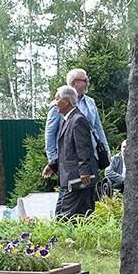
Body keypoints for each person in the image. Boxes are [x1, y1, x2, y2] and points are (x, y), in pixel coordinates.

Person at [45, 68, 111, 214]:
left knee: (84, 203)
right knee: (67, 204)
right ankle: (61, 232)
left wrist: (105, 151)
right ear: (74, 83)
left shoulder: (89, 103)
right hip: (70, 164)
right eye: (85, 81)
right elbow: (50, 136)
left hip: (88, 161)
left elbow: (97, 129)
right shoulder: (58, 106)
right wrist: (54, 163)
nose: (87, 83)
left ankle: (70, 232)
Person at [42, 86, 95, 218]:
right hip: (69, 178)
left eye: (57, 99)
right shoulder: (68, 120)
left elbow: (84, 148)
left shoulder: (78, 120)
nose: (55, 103)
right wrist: (52, 165)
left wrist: (84, 172)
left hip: (77, 179)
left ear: (66, 101)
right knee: (64, 217)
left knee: (66, 218)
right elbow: (66, 150)